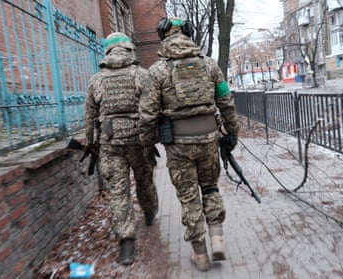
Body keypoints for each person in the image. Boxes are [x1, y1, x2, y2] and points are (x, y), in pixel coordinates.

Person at [138, 17, 239, 272]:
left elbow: (147, 115)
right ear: (188, 34)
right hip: (208, 140)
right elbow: (226, 100)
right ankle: (217, 238)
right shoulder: (210, 66)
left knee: (188, 197)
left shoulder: (157, 71)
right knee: (210, 187)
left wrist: (148, 144)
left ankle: (200, 254)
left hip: (178, 145)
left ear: (163, 38)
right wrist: (233, 132)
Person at [84, 32, 159, 265]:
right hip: (138, 139)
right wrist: (150, 139)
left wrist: (90, 143)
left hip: (110, 142)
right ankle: (149, 212)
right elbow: (152, 110)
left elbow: (89, 116)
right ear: (128, 49)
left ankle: (126, 244)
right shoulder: (142, 75)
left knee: (118, 191)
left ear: (107, 51)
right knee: (144, 180)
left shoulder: (96, 80)